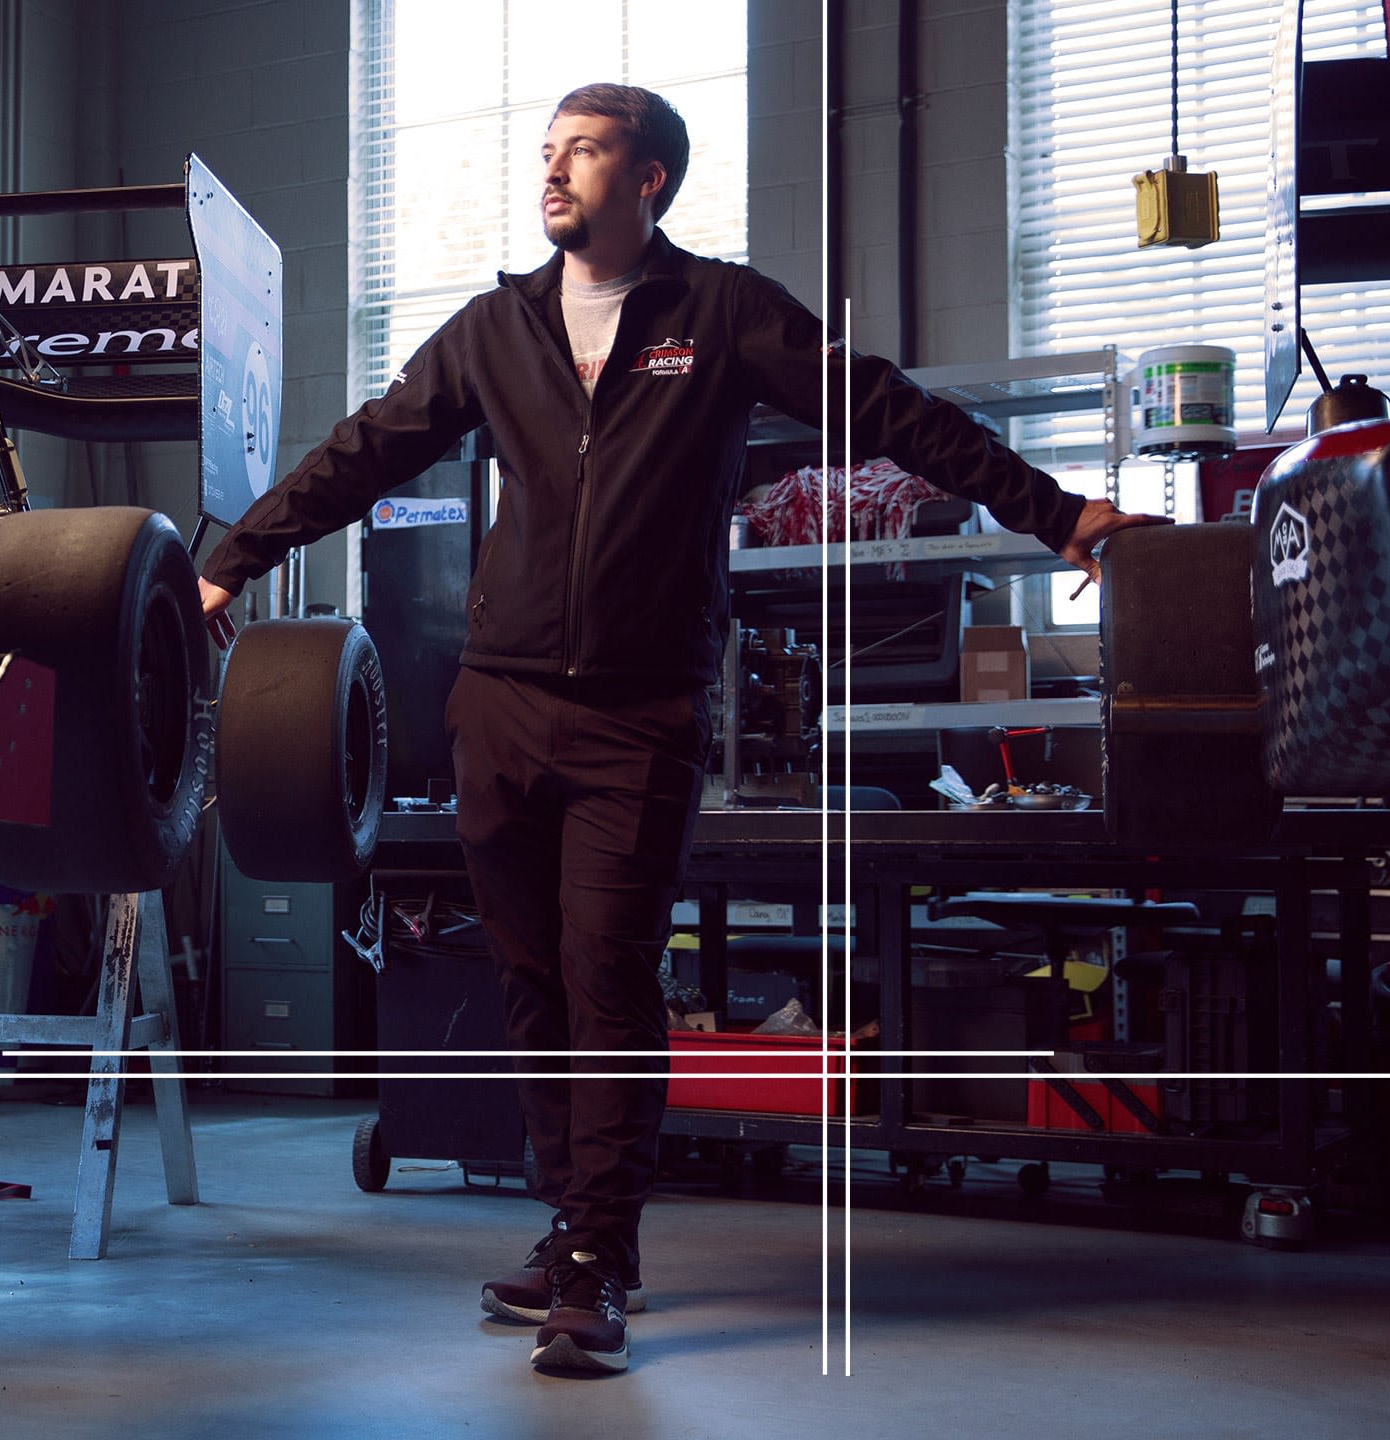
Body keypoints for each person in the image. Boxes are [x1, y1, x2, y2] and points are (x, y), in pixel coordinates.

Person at [194, 83, 1166, 1378]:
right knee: (532, 985)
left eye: (584, 152)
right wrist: (234, 557)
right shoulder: (498, 330)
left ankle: (597, 1260)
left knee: (608, 980)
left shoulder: (721, 316)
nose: (555, 172)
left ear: (649, 178)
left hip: (637, 718)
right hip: (499, 702)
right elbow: (362, 451)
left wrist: (1061, 518)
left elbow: (889, 411)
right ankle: (573, 1222)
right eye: (547, 152)